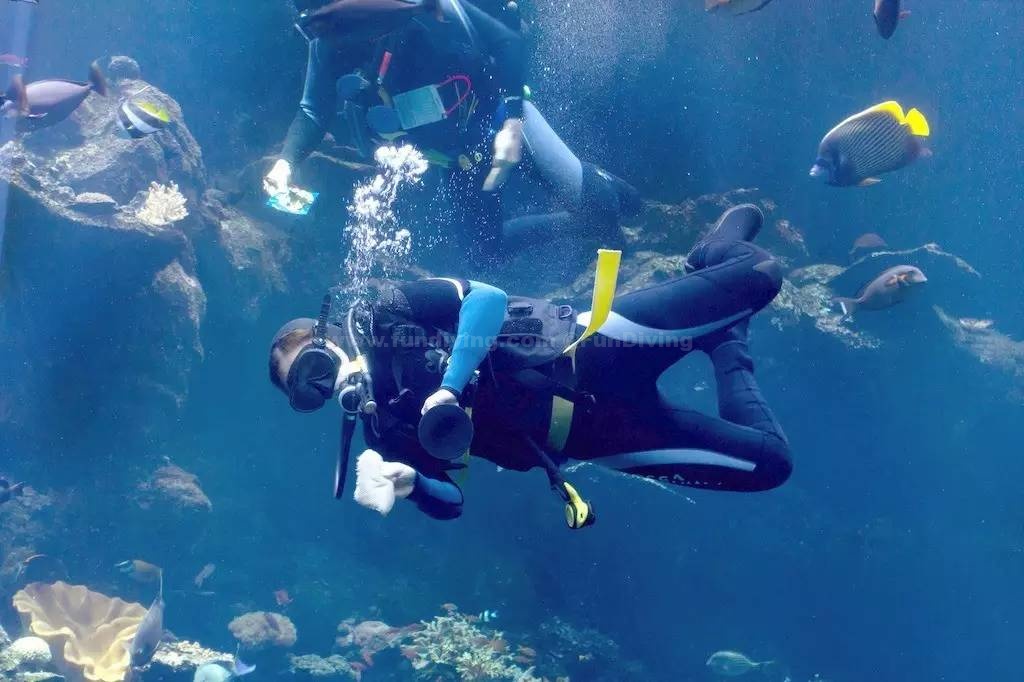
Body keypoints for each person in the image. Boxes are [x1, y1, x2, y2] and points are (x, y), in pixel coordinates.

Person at [268, 205, 791, 526]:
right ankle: (728, 342)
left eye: (314, 366)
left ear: (331, 338)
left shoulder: (389, 311)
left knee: (760, 272)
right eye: (308, 393)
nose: (324, 385)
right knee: (769, 464)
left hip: (590, 349)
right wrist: (411, 483)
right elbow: (452, 501)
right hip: (595, 439)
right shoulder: (384, 435)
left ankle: (712, 251)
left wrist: (450, 386)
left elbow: (487, 300)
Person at [264, 0, 641, 255]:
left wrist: (512, 122)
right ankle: (582, 222)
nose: (335, 36)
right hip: (453, 158)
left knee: (610, 207)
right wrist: (285, 164)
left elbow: (507, 40)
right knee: (485, 254)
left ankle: (604, 192)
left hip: (504, 126)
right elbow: (313, 111)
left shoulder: (420, 9)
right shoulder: (325, 45)